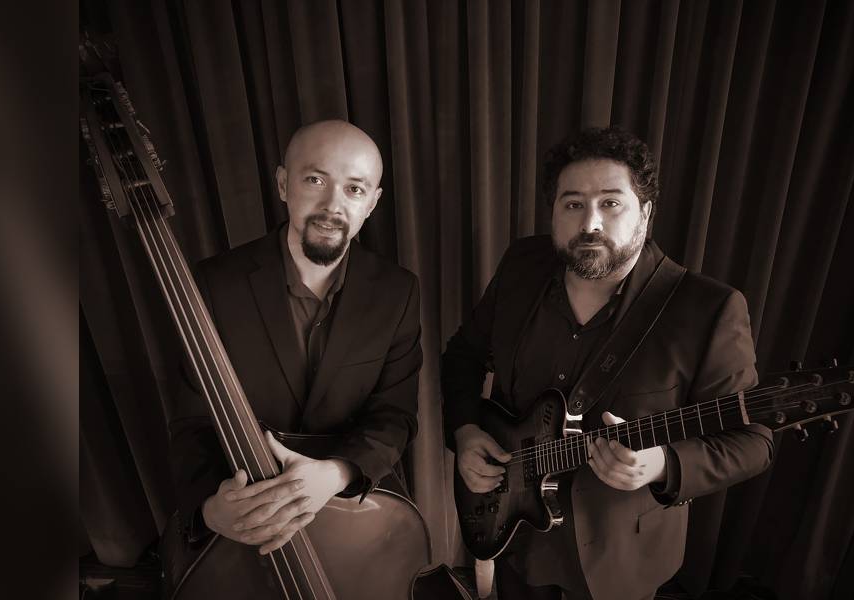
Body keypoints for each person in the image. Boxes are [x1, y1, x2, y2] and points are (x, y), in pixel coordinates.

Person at [441, 127, 774, 600]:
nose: (590, 223)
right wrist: (465, 431)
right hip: (514, 535)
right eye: (573, 204)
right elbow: (464, 355)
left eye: (611, 203)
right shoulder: (522, 265)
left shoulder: (708, 308)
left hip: (619, 559)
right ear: (554, 211)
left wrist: (663, 465)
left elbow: (754, 442)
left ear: (646, 213)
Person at [167, 119, 422, 556]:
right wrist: (210, 509)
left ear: (372, 203)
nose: (332, 205)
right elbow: (192, 421)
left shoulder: (398, 291)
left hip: (352, 503)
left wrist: (337, 473)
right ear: (284, 184)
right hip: (248, 501)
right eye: (315, 180)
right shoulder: (214, 282)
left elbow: (395, 414)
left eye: (354, 189)